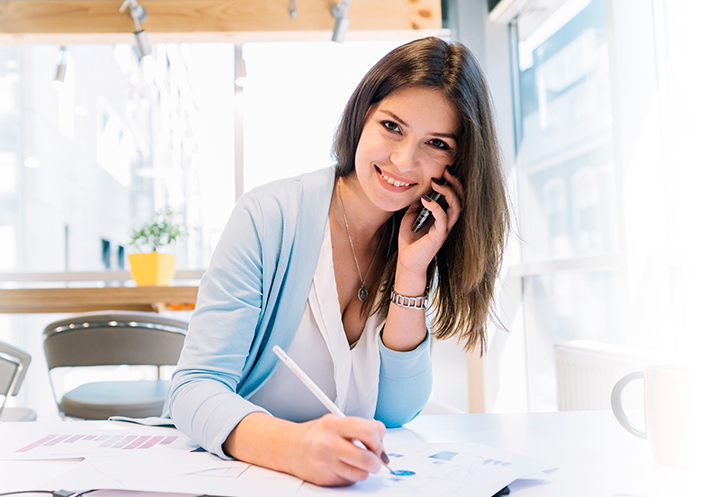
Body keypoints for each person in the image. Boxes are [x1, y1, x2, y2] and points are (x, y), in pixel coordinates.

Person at [162, 36, 510, 487]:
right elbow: (193, 390)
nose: (404, 161)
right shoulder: (268, 216)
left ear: (459, 162)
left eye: (437, 143)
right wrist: (296, 448)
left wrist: (411, 273)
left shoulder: (417, 236)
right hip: (242, 478)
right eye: (392, 127)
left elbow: (397, 410)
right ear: (362, 116)